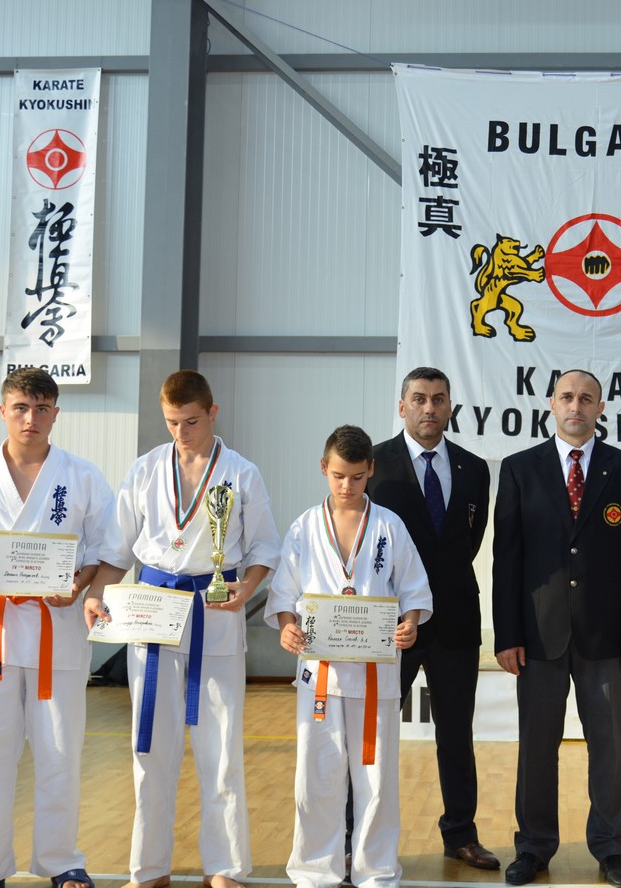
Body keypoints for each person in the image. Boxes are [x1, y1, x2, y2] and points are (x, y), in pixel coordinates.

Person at [87, 370, 280, 888]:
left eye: (191, 421)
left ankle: (226, 866)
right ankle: (149, 868)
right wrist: (97, 593)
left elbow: (264, 548)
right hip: (152, 613)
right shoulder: (146, 469)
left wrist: (246, 588)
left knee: (221, 748)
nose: (181, 432)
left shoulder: (241, 473)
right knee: (149, 747)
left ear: (212, 413)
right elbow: (116, 549)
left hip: (214, 616)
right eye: (172, 422)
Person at [0, 367, 114, 888]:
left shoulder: (82, 476)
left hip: (58, 631)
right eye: (20, 408)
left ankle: (61, 860)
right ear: (3, 411)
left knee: (60, 752)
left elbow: (105, 549)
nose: (30, 418)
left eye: (41, 409)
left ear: (56, 413)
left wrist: (79, 584)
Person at [492, 369, 621, 888]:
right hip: (537, 637)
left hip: (606, 639)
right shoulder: (519, 469)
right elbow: (506, 559)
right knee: (536, 747)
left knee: (608, 746)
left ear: (601, 408)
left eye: (586, 398)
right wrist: (506, 634)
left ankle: (611, 848)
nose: (576, 406)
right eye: (567, 396)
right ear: (551, 403)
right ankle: (533, 847)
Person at [266, 424, 434, 888]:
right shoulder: (304, 527)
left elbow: (414, 588)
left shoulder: (389, 525)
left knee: (376, 778)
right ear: (324, 468)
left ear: (371, 471)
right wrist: (287, 628)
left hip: (375, 672)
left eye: (357, 477)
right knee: (317, 774)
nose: (347, 485)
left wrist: (410, 623)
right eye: (339, 475)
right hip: (320, 674)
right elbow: (284, 594)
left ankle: (376, 871)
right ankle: (313, 871)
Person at [367, 367, 497, 870]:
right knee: (375, 734)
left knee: (456, 735)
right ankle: (362, 834)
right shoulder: (374, 464)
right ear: (401, 406)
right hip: (390, 624)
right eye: (419, 399)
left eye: (438, 399)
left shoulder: (473, 468)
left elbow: (469, 542)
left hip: (455, 619)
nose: (429, 408)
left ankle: (460, 834)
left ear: (450, 408)